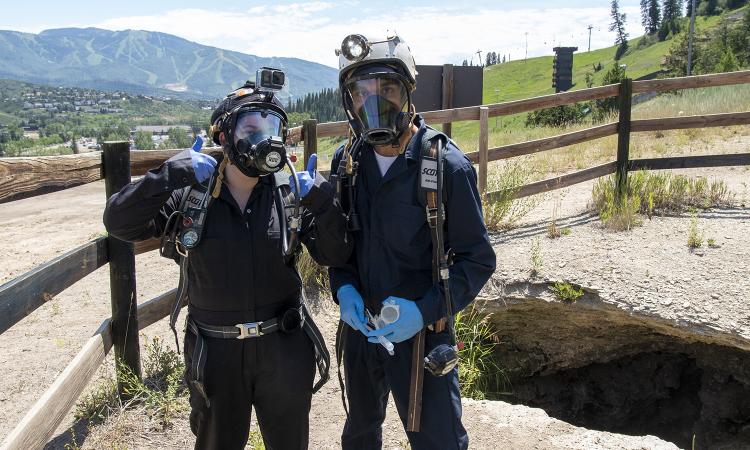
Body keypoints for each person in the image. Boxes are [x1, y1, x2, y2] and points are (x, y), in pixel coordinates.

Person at [103, 77, 352, 450]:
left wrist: (323, 200)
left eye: (272, 128)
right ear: (223, 137)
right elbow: (119, 222)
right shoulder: (190, 197)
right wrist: (168, 175)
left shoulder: (289, 196)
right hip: (215, 353)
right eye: (251, 128)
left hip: (283, 348)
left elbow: (335, 254)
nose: (264, 138)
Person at [328, 34, 497, 449]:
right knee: (360, 433)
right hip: (363, 331)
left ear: (407, 93)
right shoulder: (347, 164)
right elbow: (341, 246)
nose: (374, 102)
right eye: (361, 92)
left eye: (387, 89)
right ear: (348, 101)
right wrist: (343, 286)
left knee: (438, 440)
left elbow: (477, 260)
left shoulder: (445, 167)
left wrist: (423, 312)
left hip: (423, 336)